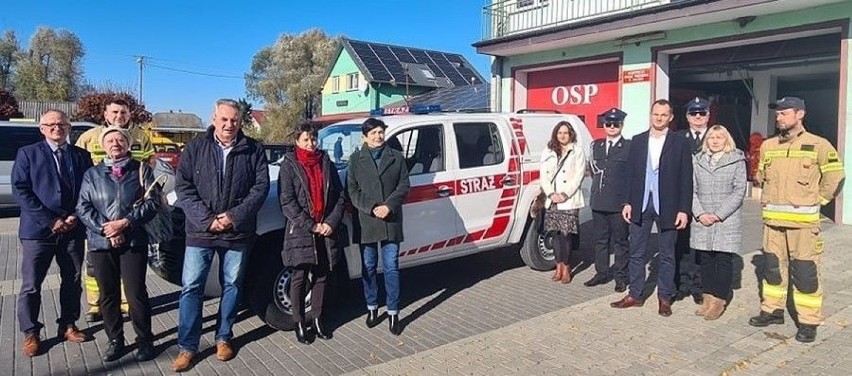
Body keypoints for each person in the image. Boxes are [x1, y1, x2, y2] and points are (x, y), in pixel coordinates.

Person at [172, 99, 269, 371]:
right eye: (224, 119)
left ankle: (224, 337)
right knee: (191, 287)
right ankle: (187, 346)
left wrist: (233, 217)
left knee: (233, 286)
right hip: (200, 231)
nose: (229, 125)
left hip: (236, 232)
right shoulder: (195, 148)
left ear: (241, 121)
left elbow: (259, 189)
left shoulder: (254, 150)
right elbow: (184, 187)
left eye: (234, 120)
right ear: (214, 118)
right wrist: (207, 219)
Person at [748, 96, 845, 343]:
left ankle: (808, 321)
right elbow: (761, 176)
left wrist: (818, 200)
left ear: (800, 114)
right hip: (772, 224)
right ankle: (773, 311)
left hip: (803, 226)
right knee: (771, 270)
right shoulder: (769, 146)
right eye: (777, 113)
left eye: (784, 112)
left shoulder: (819, 145)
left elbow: (836, 177)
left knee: (805, 272)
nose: (778, 116)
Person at [12, 109, 93, 357]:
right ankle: (31, 332)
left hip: (72, 229)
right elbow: (21, 190)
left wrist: (74, 217)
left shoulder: (81, 156)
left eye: (62, 124)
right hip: (38, 231)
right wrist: (51, 220)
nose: (57, 128)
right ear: (42, 128)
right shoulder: (28, 154)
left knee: (72, 279)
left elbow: (88, 190)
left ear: (69, 128)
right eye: (51, 124)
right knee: (31, 285)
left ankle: (67, 325)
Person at [76, 127, 158, 362]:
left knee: (135, 294)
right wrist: (107, 228)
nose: (115, 143)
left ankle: (144, 340)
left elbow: (152, 203)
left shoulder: (142, 170)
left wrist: (125, 223)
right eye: (110, 140)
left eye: (120, 139)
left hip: (133, 241)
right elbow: (83, 207)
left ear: (128, 144)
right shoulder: (92, 174)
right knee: (108, 295)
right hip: (100, 242)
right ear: (104, 145)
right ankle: (115, 340)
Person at [611, 99, 693, 317]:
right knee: (637, 252)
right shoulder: (637, 141)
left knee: (667, 254)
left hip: (668, 206)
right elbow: (629, 175)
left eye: (664, 115)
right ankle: (635, 295)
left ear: (671, 117)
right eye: (656, 114)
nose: (659, 118)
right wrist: (627, 202)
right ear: (650, 115)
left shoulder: (680, 142)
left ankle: (664, 297)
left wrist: (684, 209)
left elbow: (686, 178)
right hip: (641, 204)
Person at [278, 123, 345, 344]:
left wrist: (330, 222)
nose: (310, 143)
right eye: (306, 139)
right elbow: (287, 202)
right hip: (301, 230)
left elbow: (339, 195)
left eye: (313, 139)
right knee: (299, 276)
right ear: (297, 141)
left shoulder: (325, 161)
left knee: (322, 275)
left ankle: (317, 319)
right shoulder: (289, 165)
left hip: (325, 228)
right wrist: (311, 225)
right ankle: (299, 322)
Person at [347, 117, 410, 336]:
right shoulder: (355, 160)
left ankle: (393, 311)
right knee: (369, 267)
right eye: (373, 133)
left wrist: (388, 206)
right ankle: (372, 308)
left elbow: (404, 185)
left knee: (391, 267)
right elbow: (352, 190)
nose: (378, 136)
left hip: (390, 220)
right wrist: (372, 207)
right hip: (367, 222)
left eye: (380, 132)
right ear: (364, 137)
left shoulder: (397, 158)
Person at [690, 125, 747, 320]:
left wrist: (718, 214)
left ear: (727, 140)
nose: (715, 141)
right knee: (705, 259)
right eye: (711, 137)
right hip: (702, 218)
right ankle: (707, 297)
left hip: (725, 219)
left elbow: (739, 190)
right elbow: (691, 190)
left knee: (723, 260)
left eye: (719, 137)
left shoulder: (737, 159)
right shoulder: (697, 160)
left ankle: (719, 300)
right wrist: (700, 213)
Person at [585, 108, 631, 292]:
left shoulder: (628, 147)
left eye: (615, 124)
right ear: (604, 125)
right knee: (600, 241)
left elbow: (632, 176)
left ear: (621, 125)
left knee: (620, 242)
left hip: (618, 203)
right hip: (599, 201)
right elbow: (591, 169)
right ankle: (601, 273)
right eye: (608, 124)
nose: (612, 127)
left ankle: (621, 277)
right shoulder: (595, 146)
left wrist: (628, 202)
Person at [540, 120, 587, 284]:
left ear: (570, 134)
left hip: (568, 199)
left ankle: (567, 267)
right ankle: (558, 266)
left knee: (566, 235)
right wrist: (551, 193)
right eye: (559, 133)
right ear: (555, 134)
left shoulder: (577, 151)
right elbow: (544, 176)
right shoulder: (548, 151)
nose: (562, 136)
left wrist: (565, 194)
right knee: (555, 235)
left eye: (565, 133)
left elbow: (579, 175)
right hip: (552, 199)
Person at [675, 97, 711, 305]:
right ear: (687, 116)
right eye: (693, 113)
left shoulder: (716, 136)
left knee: (702, 247)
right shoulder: (679, 137)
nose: (698, 117)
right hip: (683, 199)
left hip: (706, 201)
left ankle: (699, 286)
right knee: (682, 244)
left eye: (702, 113)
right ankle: (682, 285)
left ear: (708, 115)